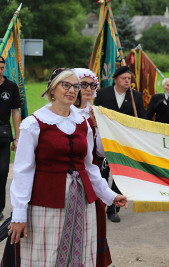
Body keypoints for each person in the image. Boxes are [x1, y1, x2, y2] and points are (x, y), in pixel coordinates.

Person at [7, 68, 128, 266]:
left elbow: (88, 167)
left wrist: (110, 195)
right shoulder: (33, 124)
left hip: (81, 201)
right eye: (66, 85)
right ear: (52, 90)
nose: (72, 90)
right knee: (44, 256)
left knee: (78, 253)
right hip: (45, 202)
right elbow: (23, 172)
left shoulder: (83, 123)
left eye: (76, 86)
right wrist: (19, 214)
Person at [72, 68, 112, 267]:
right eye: (83, 84)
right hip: (71, 174)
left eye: (92, 85)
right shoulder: (64, 113)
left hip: (91, 172)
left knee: (94, 223)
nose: (88, 89)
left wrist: (99, 127)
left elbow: (102, 153)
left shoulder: (96, 112)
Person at [94, 65, 145, 223]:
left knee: (118, 176)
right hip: (104, 141)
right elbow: (94, 113)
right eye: (124, 78)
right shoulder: (103, 94)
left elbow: (141, 118)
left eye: (129, 78)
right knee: (102, 174)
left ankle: (112, 209)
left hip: (124, 143)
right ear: (115, 79)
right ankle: (99, 206)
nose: (127, 81)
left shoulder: (135, 96)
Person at [0, 56, 21, 221]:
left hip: (3, 135)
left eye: (1, 67)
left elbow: (15, 113)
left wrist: (17, 138)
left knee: (2, 172)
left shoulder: (11, 87)